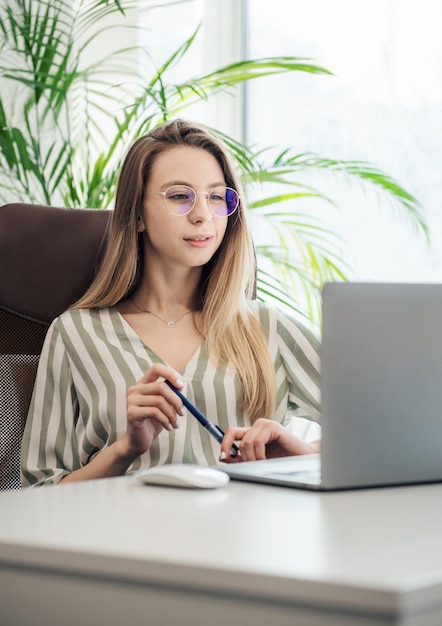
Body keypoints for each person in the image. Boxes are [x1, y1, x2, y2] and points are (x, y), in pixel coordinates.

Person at [21, 118, 321, 487]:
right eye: (180, 196)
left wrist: (300, 454)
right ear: (137, 214)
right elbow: (41, 491)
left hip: (243, 539)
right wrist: (126, 448)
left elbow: (388, 433)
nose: (202, 215)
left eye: (216, 196)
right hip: (119, 540)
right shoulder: (75, 333)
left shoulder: (267, 327)